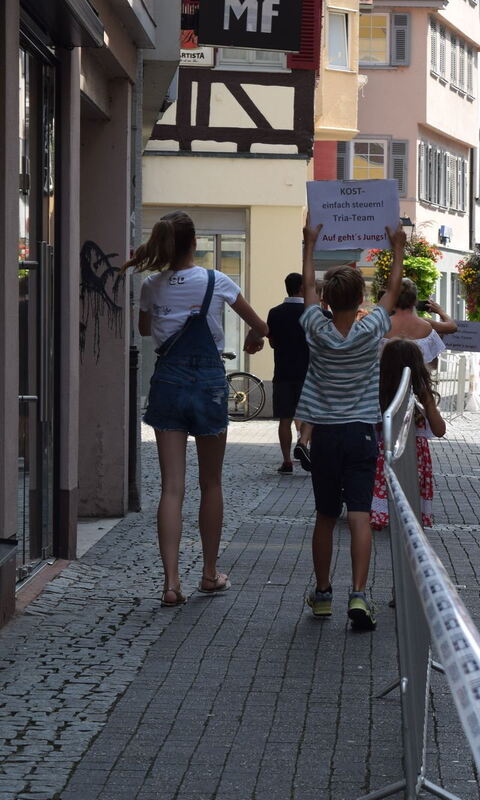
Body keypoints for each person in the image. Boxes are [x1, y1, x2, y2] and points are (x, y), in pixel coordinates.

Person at [126, 210, 270, 607]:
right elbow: (261, 325)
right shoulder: (216, 280)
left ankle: (171, 583)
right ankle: (209, 573)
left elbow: (143, 330)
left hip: (168, 383)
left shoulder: (151, 285)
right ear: (194, 243)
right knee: (211, 483)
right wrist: (255, 338)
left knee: (171, 487)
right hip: (208, 385)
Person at [297, 218, 406, 631]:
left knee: (326, 515)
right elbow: (392, 292)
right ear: (361, 298)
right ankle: (359, 594)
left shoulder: (316, 327)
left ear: (326, 299)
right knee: (360, 514)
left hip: (325, 433)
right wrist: (397, 247)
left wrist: (309, 244)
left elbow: (307, 289)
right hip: (361, 431)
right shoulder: (371, 329)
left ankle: (323, 593)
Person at [377, 339, 447, 527]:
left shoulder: (381, 392)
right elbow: (440, 430)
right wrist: (428, 402)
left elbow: (439, 430)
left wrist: (427, 400)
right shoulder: (416, 394)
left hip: (384, 454)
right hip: (415, 459)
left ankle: (383, 514)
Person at [266, 273, 309, 474]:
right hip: (308, 374)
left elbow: (272, 342)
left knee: (285, 419)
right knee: (309, 417)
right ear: (301, 287)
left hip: (283, 372)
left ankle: (286, 461)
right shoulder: (312, 313)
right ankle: (305, 446)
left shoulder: (275, 313)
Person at [383, 280, 455, 365]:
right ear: (415, 301)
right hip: (416, 373)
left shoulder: (381, 325)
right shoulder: (426, 326)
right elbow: (452, 327)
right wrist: (440, 311)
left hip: (386, 373)